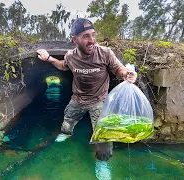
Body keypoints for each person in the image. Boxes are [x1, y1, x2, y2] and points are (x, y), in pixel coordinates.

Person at [36, 18, 137, 162]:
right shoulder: (71, 56)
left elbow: (118, 68)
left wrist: (126, 73)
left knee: (103, 137)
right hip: (77, 100)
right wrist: (48, 58)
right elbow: (63, 66)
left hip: (99, 101)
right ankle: (66, 134)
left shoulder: (104, 53)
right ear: (75, 40)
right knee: (66, 123)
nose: (92, 40)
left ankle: (103, 162)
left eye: (93, 35)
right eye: (86, 36)